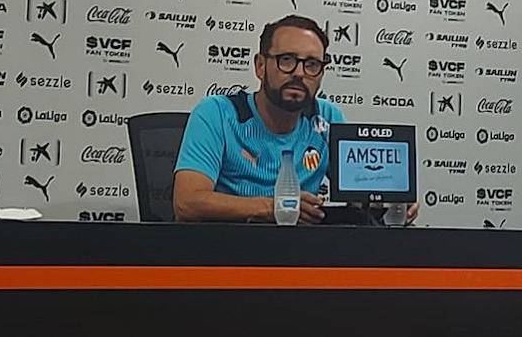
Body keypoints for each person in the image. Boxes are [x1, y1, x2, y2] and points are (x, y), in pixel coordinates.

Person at [173, 14, 416, 224]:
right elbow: (187, 203)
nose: (299, 73)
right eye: (287, 60)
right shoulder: (217, 113)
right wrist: (276, 207)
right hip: (223, 256)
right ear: (260, 66)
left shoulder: (328, 118)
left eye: (312, 64)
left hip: (300, 258)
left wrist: (390, 201)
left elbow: (359, 195)